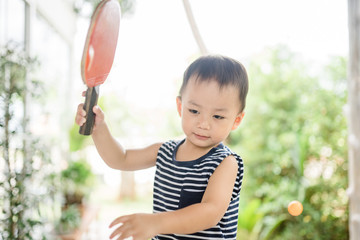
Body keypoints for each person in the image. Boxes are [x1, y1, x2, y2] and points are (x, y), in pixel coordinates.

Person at [75, 55, 249, 240]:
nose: (203, 124)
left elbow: (210, 212)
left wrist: (156, 222)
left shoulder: (225, 162)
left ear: (236, 120)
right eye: (194, 111)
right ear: (180, 107)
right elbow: (120, 158)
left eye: (218, 117)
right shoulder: (164, 152)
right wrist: (99, 128)